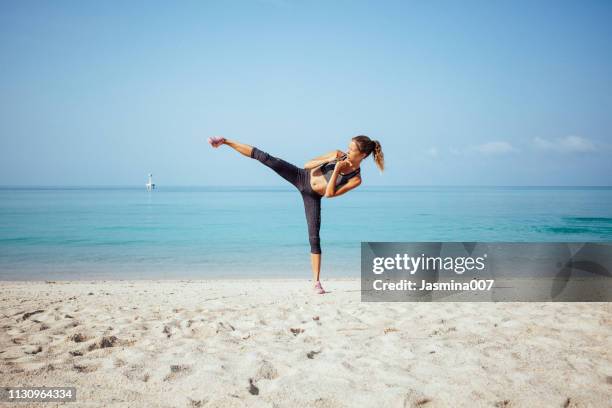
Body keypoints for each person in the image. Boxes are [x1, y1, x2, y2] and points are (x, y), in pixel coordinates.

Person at [207, 135, 385, 294]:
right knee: (267, 158)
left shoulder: (355, 179)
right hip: (301, 176)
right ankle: (225, 141)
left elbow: (329, 194)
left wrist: (337, 170)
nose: (347, 151)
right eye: (348, 146)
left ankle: (316, 282)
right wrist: (331, 158)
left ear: (362, 155)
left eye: (352, 149)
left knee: (314, 237)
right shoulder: (337, 154)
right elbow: (308, 165)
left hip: (313, 196)